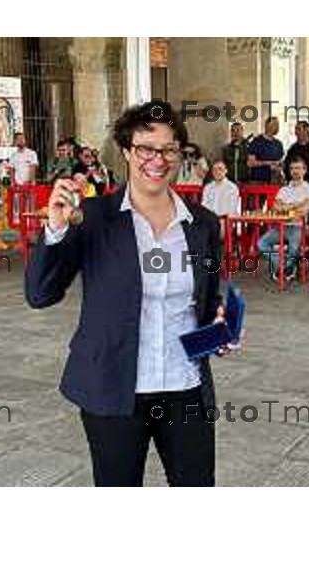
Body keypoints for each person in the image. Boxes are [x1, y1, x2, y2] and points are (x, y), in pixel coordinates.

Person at [25, 100, 229, 487]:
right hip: (113, 388)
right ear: (126, 152)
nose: (158, 159)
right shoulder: (93, 216)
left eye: (168, 149)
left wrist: (218, 327)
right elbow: (40, 293)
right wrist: (54, 229)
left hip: (184, 386)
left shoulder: (202, 224)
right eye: (145, 149)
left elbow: (206, 299)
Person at [257, 156, 309, 281]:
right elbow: (275, 207)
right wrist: (296, 204)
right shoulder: (284, 189)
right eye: (293, 168)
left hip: (298, 226)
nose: (295, 171)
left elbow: (304, 211)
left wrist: (286, 208)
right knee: (261, 243)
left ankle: (282, 268)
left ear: (304, 170)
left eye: (298, 168)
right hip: (280, 226)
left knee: (294, 249)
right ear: (289, 171)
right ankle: (285, 266)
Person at [201, 159, 241, 235]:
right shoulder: (208, 187)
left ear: (226, 171)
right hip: (209, 219)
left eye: (220, 169)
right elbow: (204, 205)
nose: (217, 172)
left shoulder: (232, 187)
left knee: (214, 229)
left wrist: (215, 217)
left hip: (225, 220)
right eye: (214, 169)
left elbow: (230, 209)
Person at [247, 116, 284, 184]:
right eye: (271, 125)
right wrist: (268, 163)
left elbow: (280, 162)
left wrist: (279, 167)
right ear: (266, 125)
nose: (273, 127)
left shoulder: (278, 144)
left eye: (276, 125)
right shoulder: (257, 142)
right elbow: (250, 163)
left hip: (274, 180)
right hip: (259, 180)